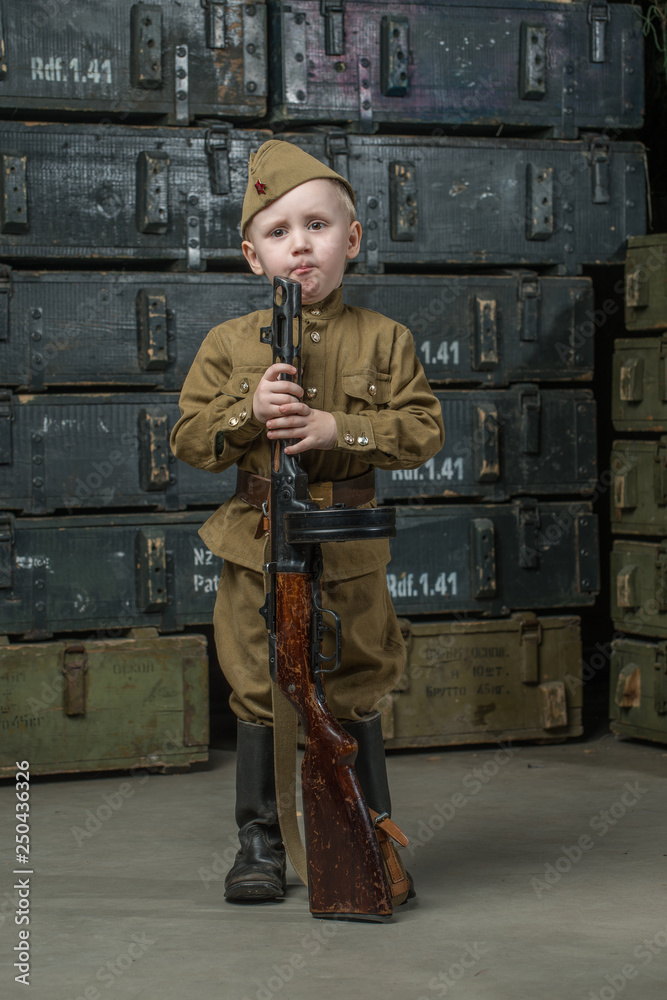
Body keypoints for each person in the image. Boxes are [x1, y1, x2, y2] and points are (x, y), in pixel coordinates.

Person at [170, 139, 445, 903]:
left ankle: (368, 831)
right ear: (251, 256)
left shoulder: (384, 339)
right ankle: (260, 845)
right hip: (258, 545)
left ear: (350, 240)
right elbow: (188, 441)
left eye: (318, 225)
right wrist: (245, 410)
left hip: (347, 551)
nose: (301, 244)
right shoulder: (229, 346)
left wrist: (337, 430)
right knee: (260, 687)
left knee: (353, 685)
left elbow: (423, 430)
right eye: (279, 230)